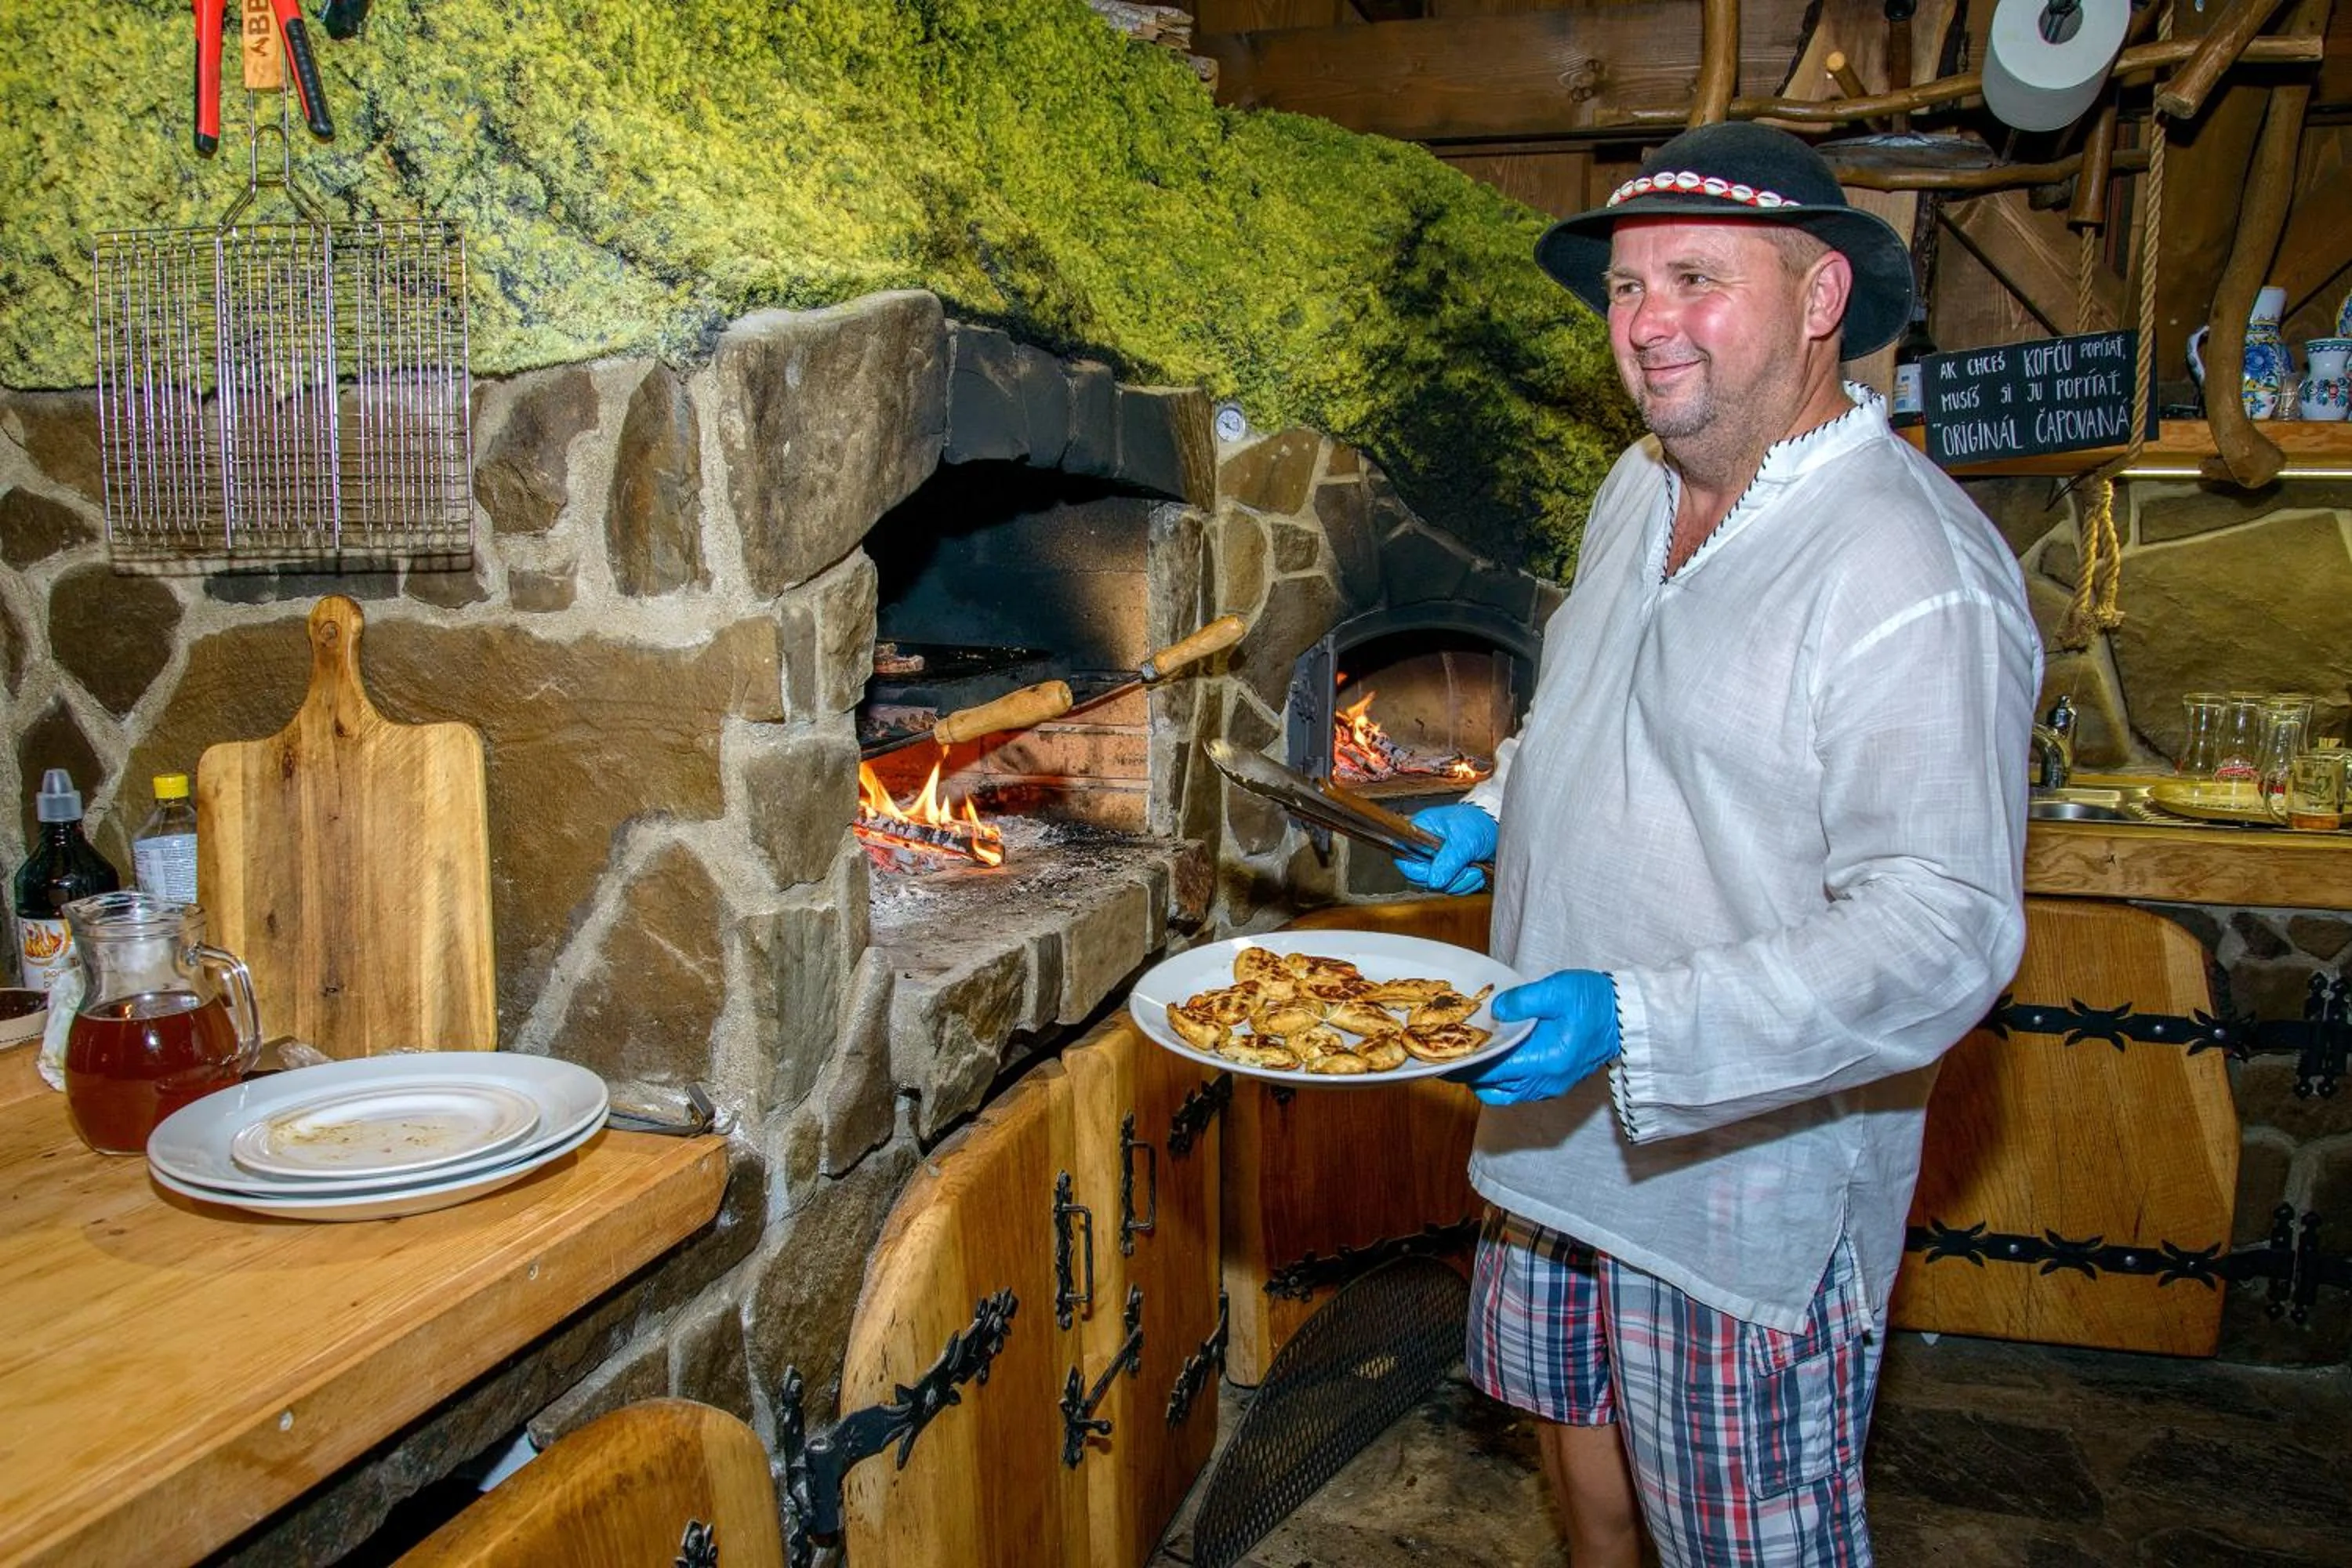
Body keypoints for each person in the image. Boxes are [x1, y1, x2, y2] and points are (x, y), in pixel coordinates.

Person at [1396, 122, 2041, 1566]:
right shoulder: (1638, 485)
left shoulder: (1911, 567)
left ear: (1821, 298)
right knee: (1587, 1485)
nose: (1649, 326)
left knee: (1745, 1544)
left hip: (1742, 1193)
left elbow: (1942, 929)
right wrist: (1502, 808)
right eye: (1627, 288)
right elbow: (1606, 703)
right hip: (1556, 1138)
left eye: (1697, 277)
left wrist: (1634, 1022)